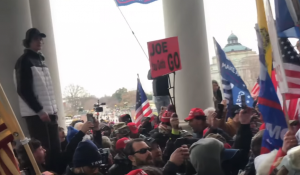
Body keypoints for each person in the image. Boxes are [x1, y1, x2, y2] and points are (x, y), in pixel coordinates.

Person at [14, 28, 60, 156]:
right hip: (37, 116)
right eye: (36, 39)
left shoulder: (41, 61)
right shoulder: (24, 61)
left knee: (55, 150)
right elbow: (23, 89)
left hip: (49, 114)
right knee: (44, 151)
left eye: (41, 39)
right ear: (28, 41)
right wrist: (39, 110)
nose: (39, 41)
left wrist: (53, 110)